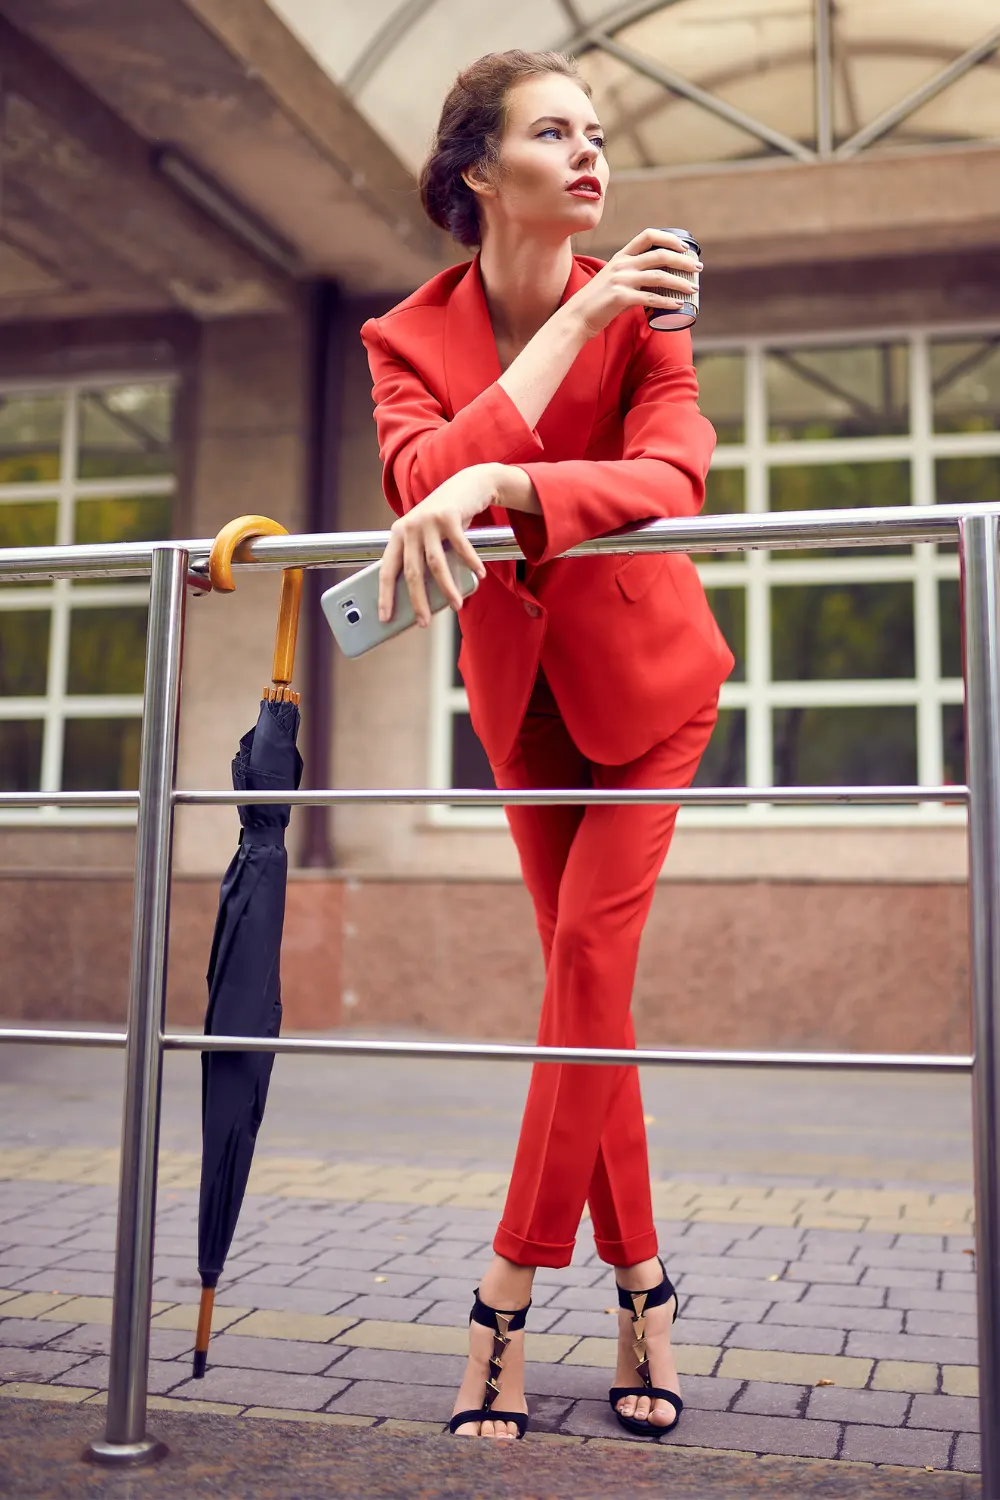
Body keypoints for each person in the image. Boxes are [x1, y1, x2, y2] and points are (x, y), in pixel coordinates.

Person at [361, 48, 734, 1443]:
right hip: (518, 701)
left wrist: (519, 478)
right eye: (555, 132)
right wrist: (568, 336)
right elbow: (417, 481)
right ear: (479, 171)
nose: (593, 156)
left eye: (599, 132)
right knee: (596, 1005)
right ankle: (646, 1289)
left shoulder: (649, 311)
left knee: (583, 968)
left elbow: (672, 472)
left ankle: (503, 1299)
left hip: (650, 685)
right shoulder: (404, 336)